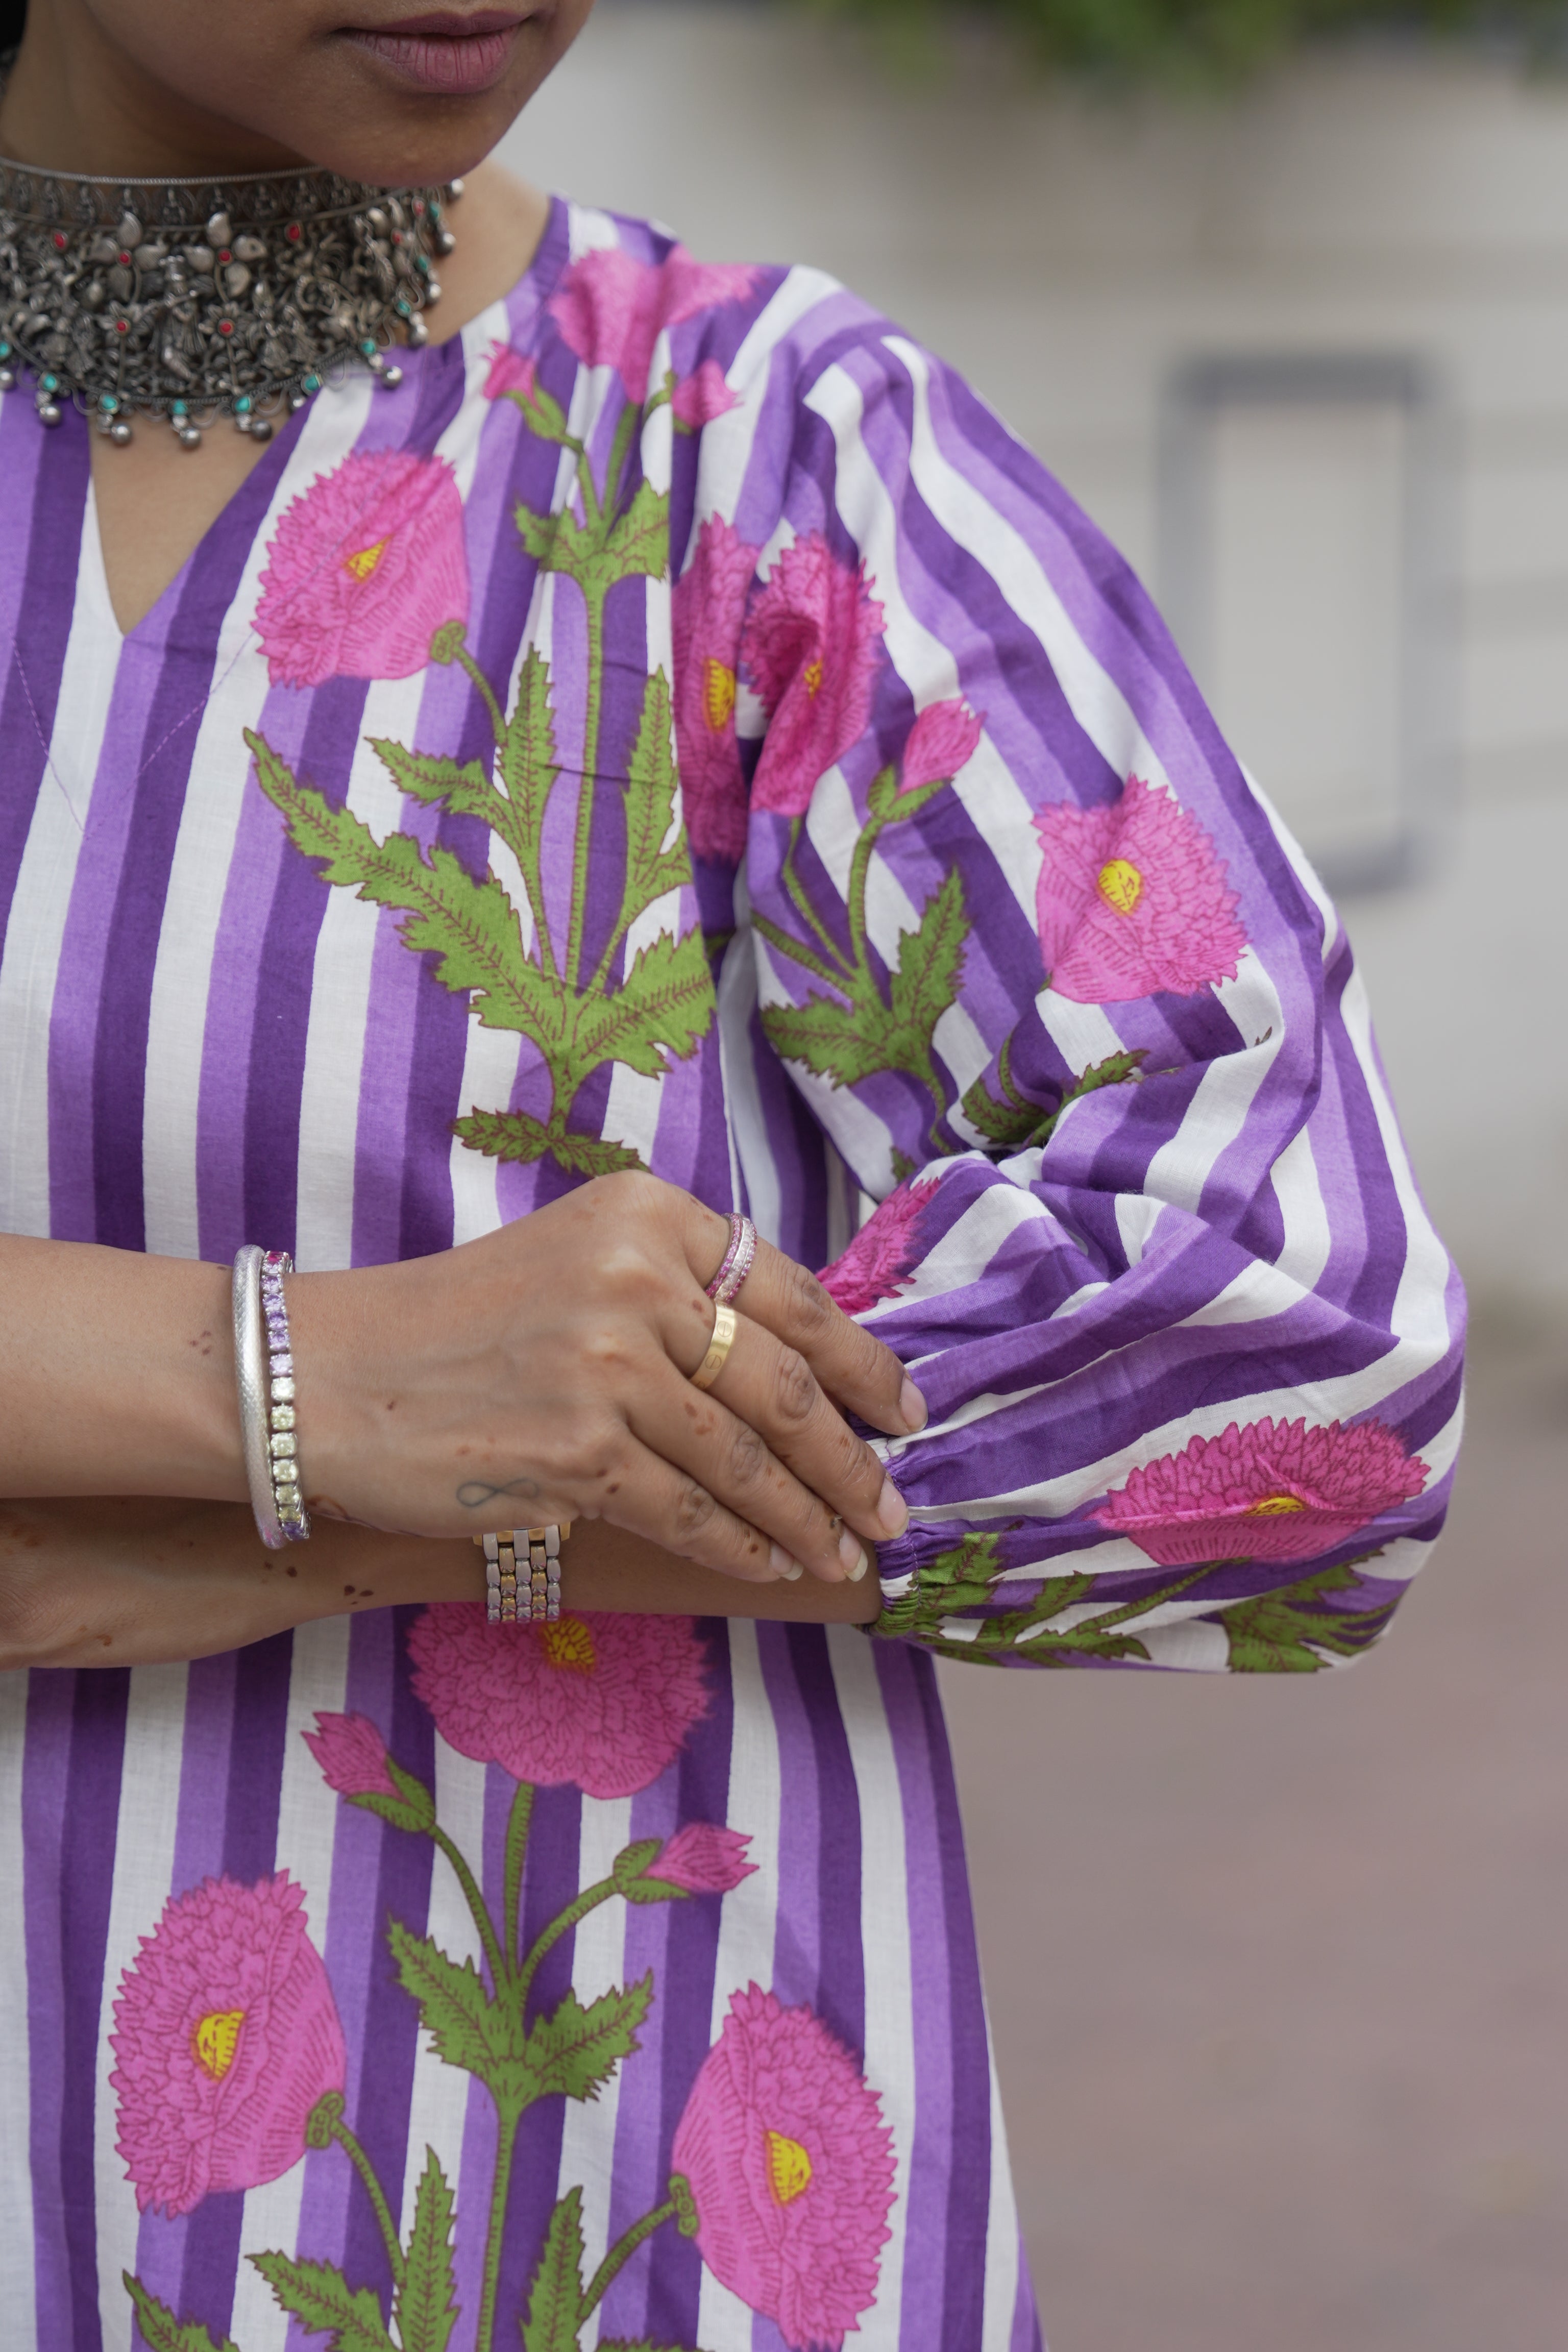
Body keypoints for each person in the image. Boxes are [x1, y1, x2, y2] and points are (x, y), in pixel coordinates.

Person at [0, 2, 1463, 2346]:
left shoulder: (757, 466)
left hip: (588, 2195)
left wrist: (416, 1513)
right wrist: (300, 1378)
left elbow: (1300, 1326)